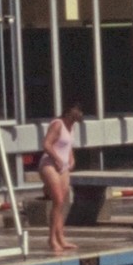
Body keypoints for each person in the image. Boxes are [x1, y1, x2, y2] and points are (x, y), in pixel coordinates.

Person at [39, 101, 83, 253]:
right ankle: (51, 239)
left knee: (62, 203)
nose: (81, 115)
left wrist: (71, 159)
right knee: (57, 200)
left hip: (63, 167)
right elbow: (46, 144)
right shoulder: (57, 124)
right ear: (70, 111)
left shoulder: (72, 126)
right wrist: (57, 158)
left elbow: (68, 145)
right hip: (49, 164)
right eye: (79, 111)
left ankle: (61, 237)